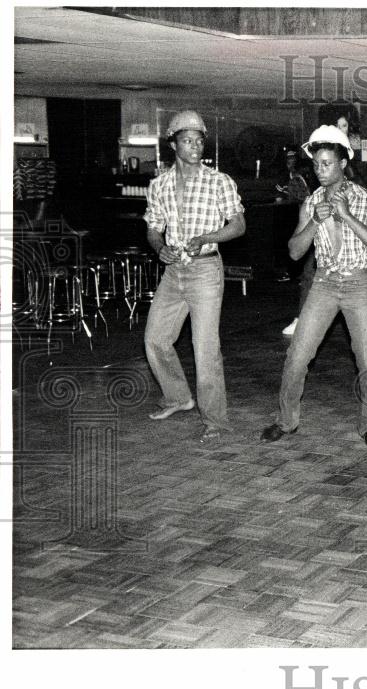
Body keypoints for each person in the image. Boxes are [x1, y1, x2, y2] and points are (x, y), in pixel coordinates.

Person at [260, 126, 367, 448]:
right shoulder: (310, 203)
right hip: (324, 284)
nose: (320, 170)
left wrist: (347, 216)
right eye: (317, 164)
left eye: (327, 163)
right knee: (297, 356)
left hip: (358, 285)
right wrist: (316, 221)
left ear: (343, 163)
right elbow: (294, 251)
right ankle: (286, 420)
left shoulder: (365, 200)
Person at [143, 110, 245, 443]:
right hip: (174, 272)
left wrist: (207, 238)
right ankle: (178, 397)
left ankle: (216, 420)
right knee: (155, 340)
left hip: (205, 271)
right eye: (188, 141)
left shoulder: (219, 181)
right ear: (174, 144)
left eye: (199, 141)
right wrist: (160, 247)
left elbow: (239, 225)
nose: (195, 147)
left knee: (205, 348)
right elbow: (154, 228)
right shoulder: (159, 184)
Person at [278, 148, 314, 336]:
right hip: (308, 224)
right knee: (308, 273)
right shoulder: (293, 178)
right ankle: (301, 318)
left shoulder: (302, 178)